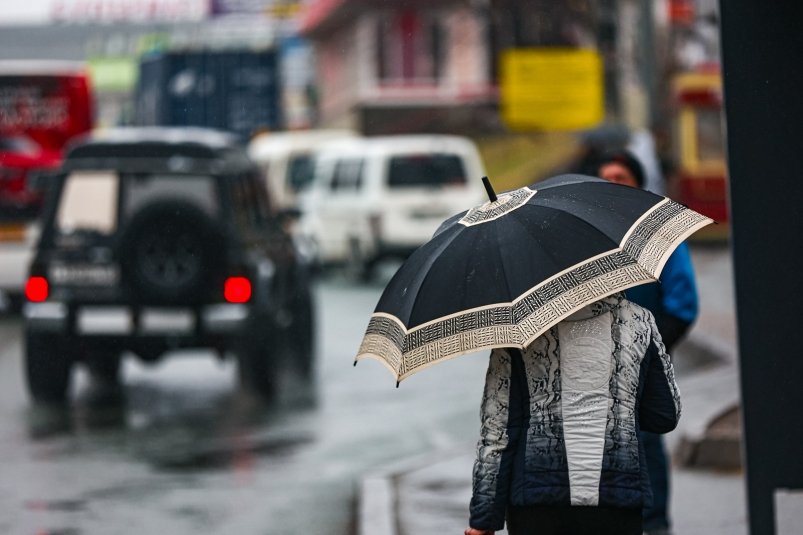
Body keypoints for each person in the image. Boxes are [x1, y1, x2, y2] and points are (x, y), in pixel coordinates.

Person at [465, 292, 681, 535]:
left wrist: (484, 518)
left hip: (538, 500)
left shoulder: (519, 331)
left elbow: (498, 431)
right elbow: (665, 414)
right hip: (617, 494)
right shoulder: (639, 320)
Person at [597, 149, 699, 535]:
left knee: (645, 444)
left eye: (620, 177)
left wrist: (648, 353)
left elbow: (683, 305)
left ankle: (655, 525)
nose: (612, 185)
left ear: (638, 183)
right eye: (605, 177)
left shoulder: (660, 236)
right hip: (593, 369)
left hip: (644, 367)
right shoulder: (590, 238)